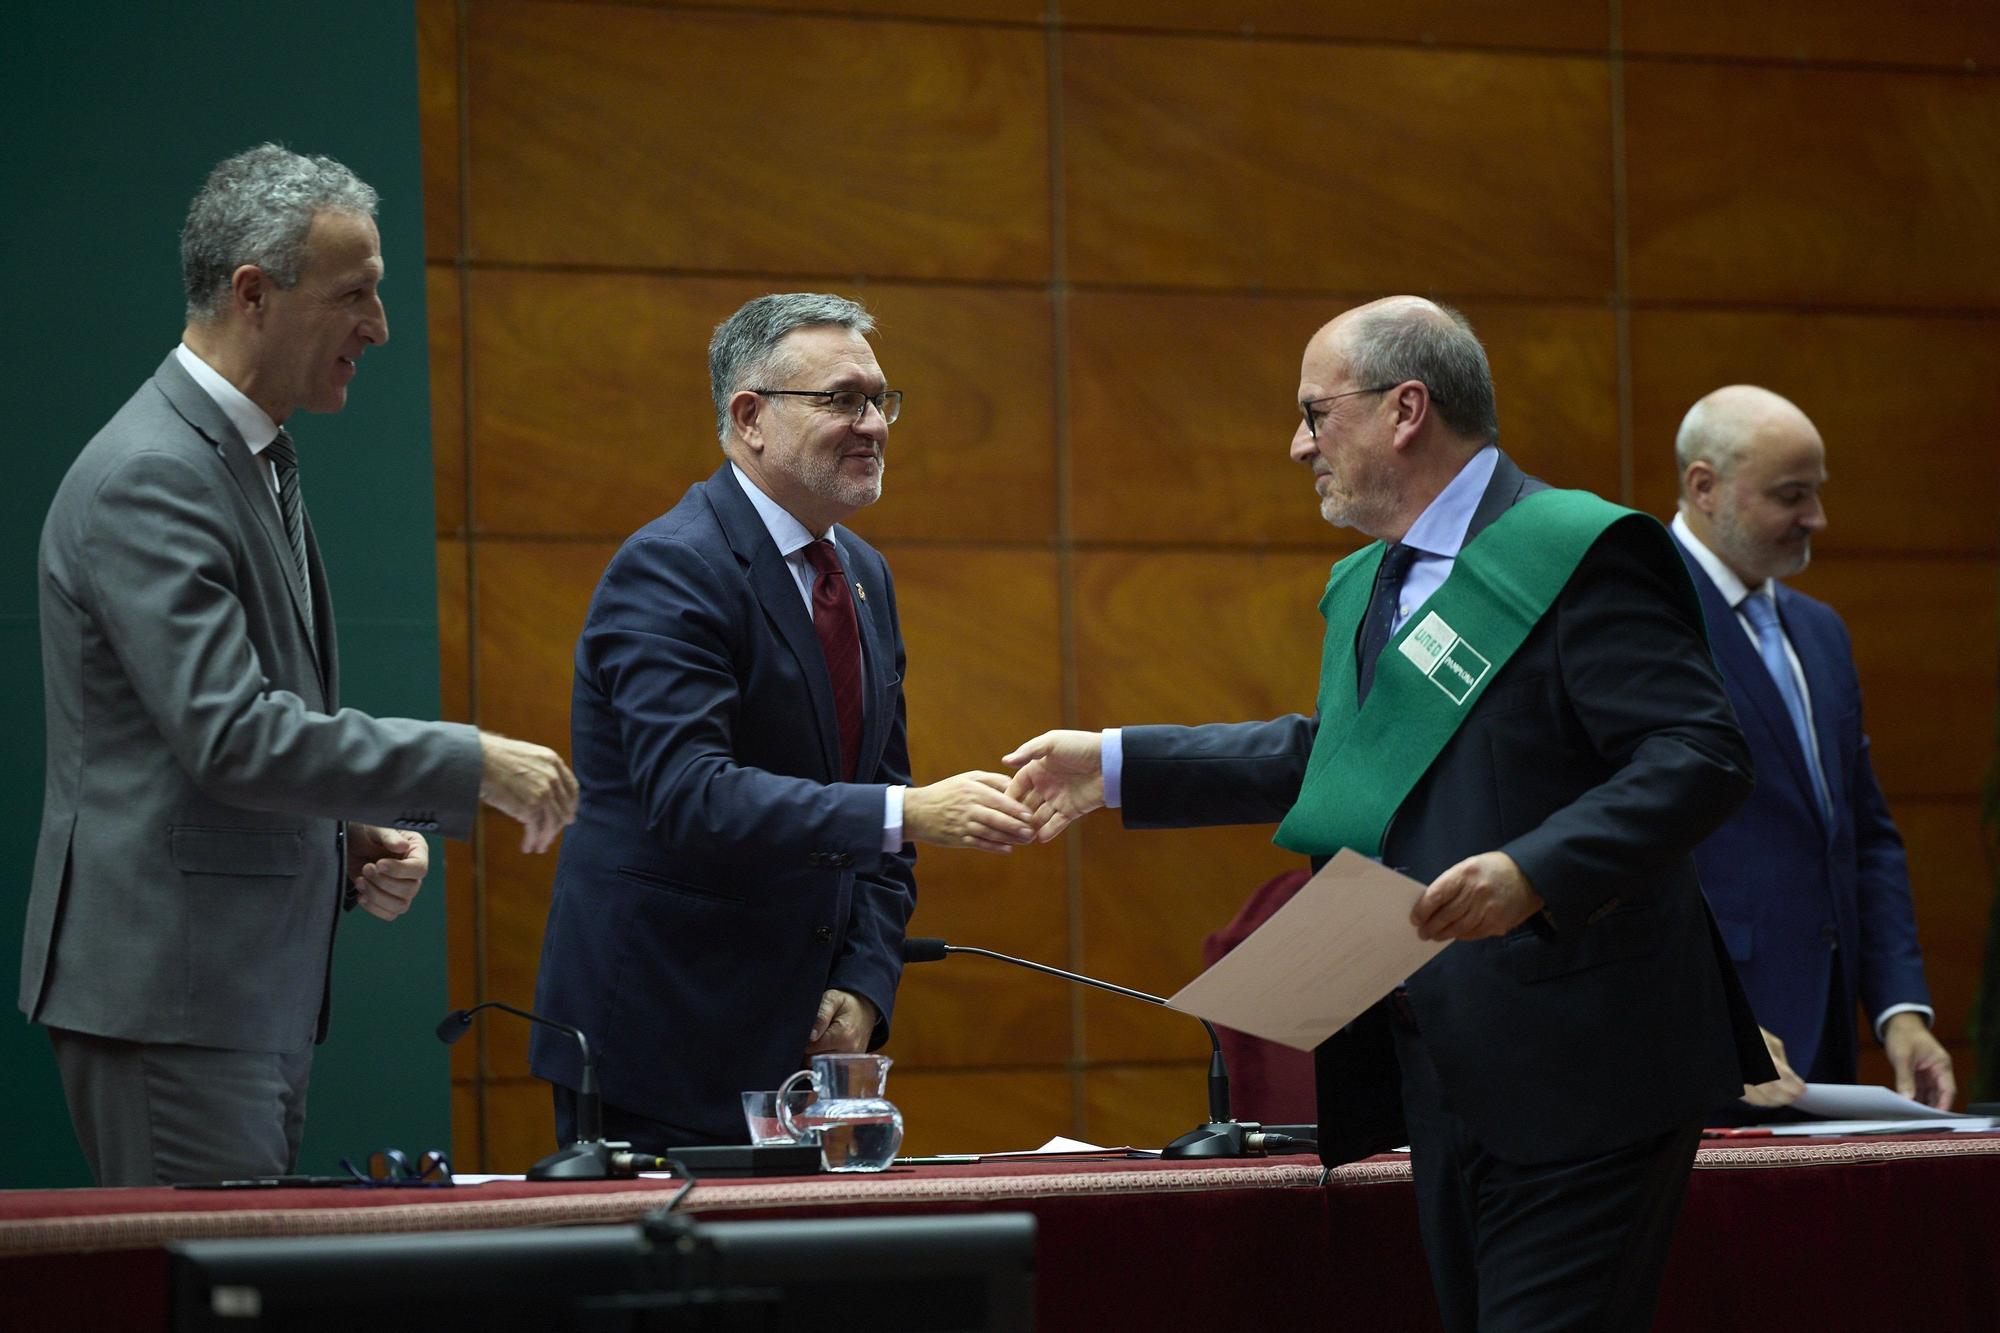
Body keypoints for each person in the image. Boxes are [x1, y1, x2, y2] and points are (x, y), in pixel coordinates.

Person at [1005, 297, 1773, 1332]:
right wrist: (1113, 764)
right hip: (1443, 1067)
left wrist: (1535, 868)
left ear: (1404, 409)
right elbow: (1337, 754)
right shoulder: (1372, 578)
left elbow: (1700, 754)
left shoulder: (1577, 549)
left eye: (1314, 413)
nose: (1297, 444)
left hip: (1587, 1063)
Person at [20, 144, 579, 1187]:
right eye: (354, 295)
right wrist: (468, 761)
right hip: (175, 1001)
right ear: (251, 294)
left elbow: (200, 744)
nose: (378, 327)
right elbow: (230, 734)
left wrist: (340, 831)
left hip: (232, 999)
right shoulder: (156, 472)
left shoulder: (240, 454)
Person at [529, 292, 1037, 1151]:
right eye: (842, 399)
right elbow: (689, 795)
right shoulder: (671, 566)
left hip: (804, 1051)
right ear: (750, 417)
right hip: (667, 1035)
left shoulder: (863, 574)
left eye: (881, 399)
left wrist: (866, 981)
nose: (873, 423)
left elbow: (882, 793)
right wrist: (905, 815)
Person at [1671, 385, 1954, 1111]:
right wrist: (1706, 1015)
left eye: (1817, 493)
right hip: (1704, 1044)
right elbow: (1621, 849)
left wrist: (1902, 1013)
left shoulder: (1821, 630)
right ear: (1704, 486)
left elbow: (1863, 837)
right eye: (1792, 495)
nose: (1817, 519)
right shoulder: (1641, 617)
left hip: (1825, 1035)